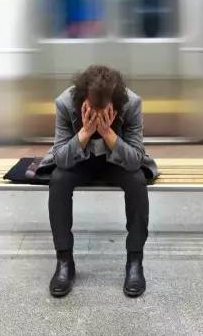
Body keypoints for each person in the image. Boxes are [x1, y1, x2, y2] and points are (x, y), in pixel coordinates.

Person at [37, 65, 159, 298]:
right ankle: (64, 261)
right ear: (82, 99)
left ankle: (135, 261)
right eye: (93, 109)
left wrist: (108, 134)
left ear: (116, 103)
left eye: (104, 111)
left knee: (137, 180)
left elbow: (135, 159)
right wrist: (84, 132)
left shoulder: (131, 104)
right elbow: (60, 158)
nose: (98, 115)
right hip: (79, 161)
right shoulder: (65, 103)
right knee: (59, 179)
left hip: (116, 161)